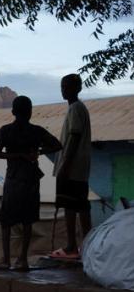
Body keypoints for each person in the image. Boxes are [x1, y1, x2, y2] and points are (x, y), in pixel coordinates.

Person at [0, 96, 62, 271]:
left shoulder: (6, 130)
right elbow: (57, 145)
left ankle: (6, 260)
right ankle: (22, 259)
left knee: (7, 220)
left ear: (13, 112)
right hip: (30, 178)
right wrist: (36, 152)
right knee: (27, 220)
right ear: (30, 112)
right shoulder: (36, 131)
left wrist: (18, 155)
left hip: (14, 178)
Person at [51, 74, 92, 259]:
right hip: (79, 169)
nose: (63, 90)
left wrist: (65, 165)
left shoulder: (76, 108)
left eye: (66, 87)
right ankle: (89, 245)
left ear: (77, 89)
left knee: (70, 206)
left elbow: (74, 137)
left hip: (72, 168)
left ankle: (71, 246)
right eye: (62, 86)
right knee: (82, 206)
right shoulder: (78, 108)